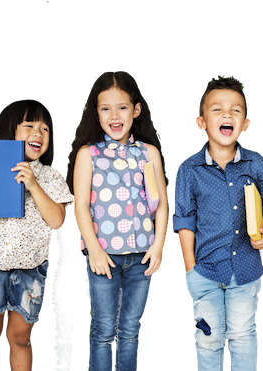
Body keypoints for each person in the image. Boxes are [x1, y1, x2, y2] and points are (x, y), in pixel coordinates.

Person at [173, 75, 263, 371]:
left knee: (243, 335)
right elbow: (184, 218)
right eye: (217, 109)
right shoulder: (189, 169)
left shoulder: (256, 163)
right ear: (201, 122)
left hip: (246, 269)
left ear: (246, 123)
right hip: (204, 271)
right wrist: (189, 266)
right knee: (208, 339)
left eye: (235, 110)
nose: (226, 115)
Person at [0, 99, 73, 370]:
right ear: (9, 132)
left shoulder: (51, 176)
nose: (39, 133)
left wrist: (33, 184)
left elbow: (57, 221)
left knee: (20, 337)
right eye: (29, 126)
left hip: (31, 270)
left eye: (45, 129)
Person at [67, 71, 168, 370]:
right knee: (103, 331)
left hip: (142, 257)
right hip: (104, 258)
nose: (114, 115)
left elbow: (161, 205)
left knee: (130, 332)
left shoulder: (148, 153)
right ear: (95, 112)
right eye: (105, 108)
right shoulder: (89, 154)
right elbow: (80, 207)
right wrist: (95, 251)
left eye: (122, 107)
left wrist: (159, 246)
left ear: (136, 110)